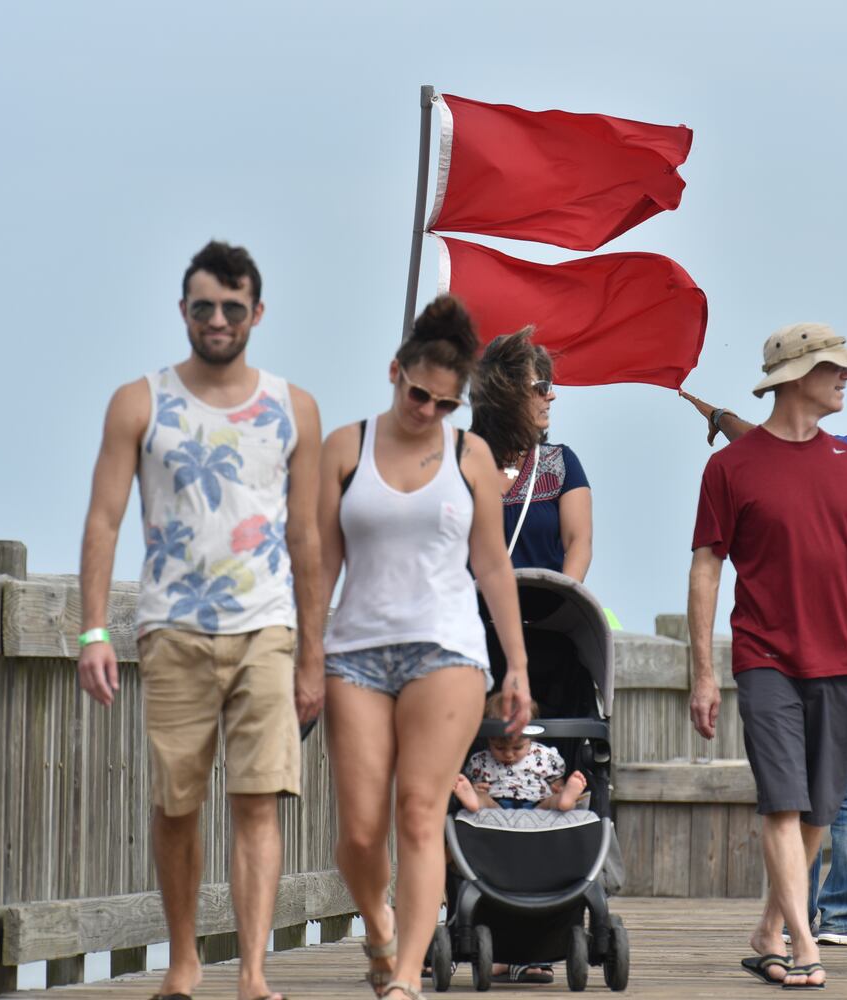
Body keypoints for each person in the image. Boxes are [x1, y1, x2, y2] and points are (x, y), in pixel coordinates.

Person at [76, 240, 323, 1000]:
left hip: (266, 628)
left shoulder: (293, 407)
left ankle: (251, 973)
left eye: (232, 307)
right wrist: (93, 632)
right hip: (172, 627)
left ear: (257, 311)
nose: (218, 320)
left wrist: (313, 656)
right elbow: (103, 521)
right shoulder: (138, 401)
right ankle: (184, 962)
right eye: (204, 307)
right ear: (182, 310)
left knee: (257, 801)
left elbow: (307, 536)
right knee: (176, 802)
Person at [687, 323, 847, 990]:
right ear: (793, 378)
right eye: (833, 368)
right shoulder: (730, 466)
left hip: (840, 662)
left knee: (819, 809)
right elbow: (706, 568)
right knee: (782, 806)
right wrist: (702, 670)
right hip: (763, 658)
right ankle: (801, 944)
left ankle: (767, 928)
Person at [319, 295, 532, 1000]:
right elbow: (320, 562)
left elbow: (493, 565)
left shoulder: (469, 455)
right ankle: (379, 929)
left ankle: (405, 979)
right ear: (394, 372)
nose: (429, 412)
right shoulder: (344, 448)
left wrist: (518, 666)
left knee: (418, 810)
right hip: (355, 653)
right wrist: (303, 660)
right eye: (419, 395)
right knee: (357, 831)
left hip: (447, 651)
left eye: (446, 403)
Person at [469, 328, 592, 580]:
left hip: (545, 615)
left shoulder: (561, 463)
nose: (552, 395)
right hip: (468, 616)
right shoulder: (455, 465)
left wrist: (563, 602)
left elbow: (579, 543)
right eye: (541, 387)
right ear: (506, 393)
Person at [453, 693, 588, 812]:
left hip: (538, 804)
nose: (509, 755)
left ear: (530, 738)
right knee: (483, 799)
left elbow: (556, 779)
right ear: (489, 739)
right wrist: (475, 788)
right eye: (499, 748)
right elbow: (476, 782)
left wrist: (559, 786)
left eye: (517, 748)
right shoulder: (481, 760)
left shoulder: (543, 755)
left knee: (552, 801)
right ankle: (474, 801)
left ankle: (564, 800)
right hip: (496, 805)